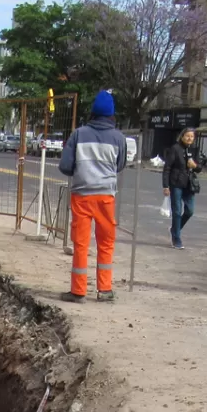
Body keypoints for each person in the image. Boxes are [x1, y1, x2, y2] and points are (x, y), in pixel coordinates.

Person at [58, 90, 128, 303]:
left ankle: (78, 291)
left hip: (82, 196)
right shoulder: (119, 138)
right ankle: (105, 290)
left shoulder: (78, 134)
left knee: (80, 243)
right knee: (106, 242)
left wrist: (81, 172)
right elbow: (120, 165)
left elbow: (65, 166)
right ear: (111, 114)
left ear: (93, 113)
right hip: (106, 197)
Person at [162, 128, 201, 250]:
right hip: (176, 183)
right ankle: (176, 238)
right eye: (187, 136)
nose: (189, 138)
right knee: (177, 211)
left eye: (192, 136)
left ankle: (175, 229)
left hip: (189, 185)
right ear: (182, 136)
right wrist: (165, 185)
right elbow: (167, 168)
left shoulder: (194, 150)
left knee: (190, 211)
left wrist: (195, 166)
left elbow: (199, 167)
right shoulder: (175, 149)